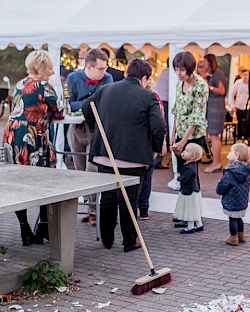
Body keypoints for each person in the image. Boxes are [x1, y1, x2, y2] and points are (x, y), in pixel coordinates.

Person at [83, 59, 167, 251]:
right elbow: (159, 126)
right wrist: (154, 149)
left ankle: (107, 239)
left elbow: (86, 108)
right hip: (134, 159)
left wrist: (96, 131)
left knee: (108, 196)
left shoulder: (106, 89)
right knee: (129, 200)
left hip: (105, 153)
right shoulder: (148, 97)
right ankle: (129, 241)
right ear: (144, 78)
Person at [3, 50, 63, 246]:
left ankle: (25, 228)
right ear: (39, 68)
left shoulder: (20, 84)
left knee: (20, 182)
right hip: (33, 137)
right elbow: (59, 112)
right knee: (45, 179)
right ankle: (43, 225)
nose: (52, 71)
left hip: (14, 137)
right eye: (49, 67)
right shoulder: (43, 86)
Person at [65, 48, 112, 173]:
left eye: (105, 68)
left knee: (93, 169)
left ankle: (93, 194)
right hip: (76, 128)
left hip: (96, 129)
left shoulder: (107, 79)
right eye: (101, 69)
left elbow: (106, 103)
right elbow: (69, 104)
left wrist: (83, 104)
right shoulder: (73, 78)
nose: (104, 71)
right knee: (79, 169)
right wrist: (89, 104)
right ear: (89, 67)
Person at [170, 51, 208, 186]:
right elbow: (176, 110)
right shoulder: (179, 84)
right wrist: (173, 135)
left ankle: (193, 203)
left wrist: (183, 142)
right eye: (176, 70)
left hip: (194, 136)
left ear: (189, 69)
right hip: (180, 133)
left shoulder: (200, 85)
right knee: (181, 174)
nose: (179, 73)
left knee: (191, 173)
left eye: (182, 70)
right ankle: (184, 201)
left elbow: (196, 117)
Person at [138, 77, 169, 220]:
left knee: (139, 176)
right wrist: (162, 142)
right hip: (149, 141)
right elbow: (161, 121)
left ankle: (138, 207)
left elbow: (160, 121)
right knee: (146, 176)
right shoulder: (154, 97)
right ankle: (143, 208)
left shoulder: (145, 96)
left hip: (140, 141)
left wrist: (162, 142)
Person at [216, 142, 250, 246]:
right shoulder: (245, 169)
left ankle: (233, 237)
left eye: (231, 151)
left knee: (232, 219)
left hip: (232, 199)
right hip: (242, 199)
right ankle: (241, 235)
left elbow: (224, 184)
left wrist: (219, 189)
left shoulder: (231, 171)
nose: (228, 153)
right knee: (239, 217)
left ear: (237, 155)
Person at [201, 54, 227, 172]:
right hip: (213, 107)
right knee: (213, 135)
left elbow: (222, 91)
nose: (203, 64)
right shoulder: (214, 74)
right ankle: (216, 162)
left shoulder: (217, 73)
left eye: (205, 62)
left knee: (214, 135)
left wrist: (209, 87)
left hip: (216, 108)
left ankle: (216, 162)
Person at [174, 142, 204, 234]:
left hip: (189, 191)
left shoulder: (189, 168)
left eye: (187, 151)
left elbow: (185, 179)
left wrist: (179, 178)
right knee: (194, 208)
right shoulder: (191, 165)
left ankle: (190, 227)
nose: (184, 152)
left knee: (190, 209)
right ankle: (199, 224)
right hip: (192, 190)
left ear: (193, 156)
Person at [229, 68, 250, 143]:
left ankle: (246, 138)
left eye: (247, 75)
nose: (245, 76)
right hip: (239, 106)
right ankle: (239, 137)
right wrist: (232, 105)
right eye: (244, 75)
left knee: (247, 123)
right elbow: (232, 94)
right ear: (241, 75)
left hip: (248, 106)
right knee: (240, 122)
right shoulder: (238, 83)